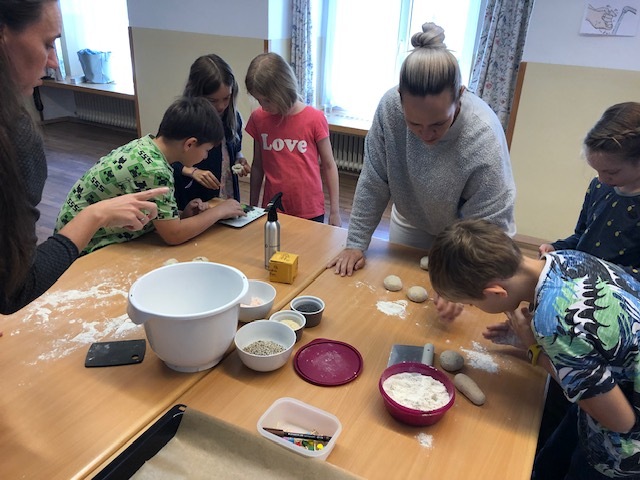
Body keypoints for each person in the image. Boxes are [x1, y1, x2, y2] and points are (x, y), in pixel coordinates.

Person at [326, 22, 516, 320]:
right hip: (412, 218)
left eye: (438, 123)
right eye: (414, 124)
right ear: (400, 98)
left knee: (466, 309)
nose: (426, 135)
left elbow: (489, 225)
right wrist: (355, 243)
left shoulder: (483, 136)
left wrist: (464, 276)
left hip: (468, 233)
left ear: (460, 96)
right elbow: (374, 180)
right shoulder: (389, 109)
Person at [428, 219, 640, 479]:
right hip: (609, 392)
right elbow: (593, 342)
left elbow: (620, 421)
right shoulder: (567, 258)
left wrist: (535, 350)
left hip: (623, 450)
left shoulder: (556, 321)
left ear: (496, 292)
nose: (473, 308)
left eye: (472, 303)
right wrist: (540, 343)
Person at [0, 0, 167, 315]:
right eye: (48, 43)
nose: (53, 62)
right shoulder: (15, 141)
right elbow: (16, 286)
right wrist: (95, 215)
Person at [55, 96, 245, 254]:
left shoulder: (146, 146)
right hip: (83, 248)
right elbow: (174, 235)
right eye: (206, 150)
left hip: (73, 235)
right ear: (189, 144)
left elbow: (160, 219)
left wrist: (181, 214)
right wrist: (218, 212)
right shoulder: (155, 170)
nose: (205, 156)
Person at [538, 102, 640, 279]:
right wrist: (557, 248)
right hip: (582, 281)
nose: (601, 179)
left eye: (611, 172)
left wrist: (599, 273)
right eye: (597, 171)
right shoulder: (599, 187)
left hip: (620, 292)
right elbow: (582, 236)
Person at [244, 52, 342, 226]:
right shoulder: (258, 119)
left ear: (282, 91)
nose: (263, 106)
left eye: (267, 100)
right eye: (259, 100)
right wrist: (253, 207)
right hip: (274, 207)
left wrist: (335, 211)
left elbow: (329, 165)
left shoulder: (315, 119)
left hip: (310, 209)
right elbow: (257, 165)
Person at [172, 54, 250, 210]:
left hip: (225, 189)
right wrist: (192, 171)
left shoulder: (232, 117)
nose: (221, 106)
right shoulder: (181, 119)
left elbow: (235, 149)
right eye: (212, 101)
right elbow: (167, 159)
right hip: (194, 195)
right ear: (197, 94)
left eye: (226, 98)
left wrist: (239, 159)